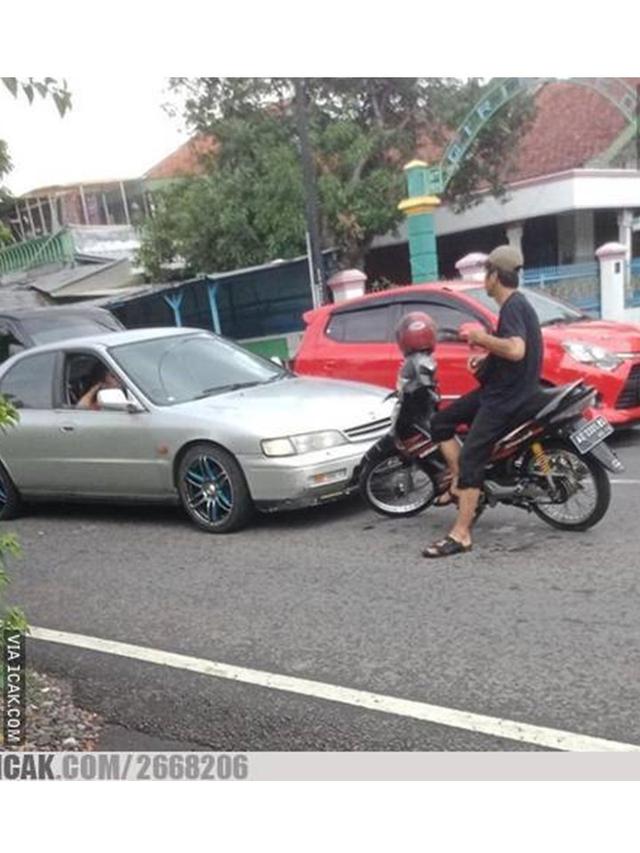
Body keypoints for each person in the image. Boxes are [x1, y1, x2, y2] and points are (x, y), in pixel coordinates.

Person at [422, 245, 543, 558]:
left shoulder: (514, 306)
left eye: (485, 274)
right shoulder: (516, 306)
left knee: (472, 456)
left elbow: (516, 350)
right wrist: (485, 360)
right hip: (500, 391)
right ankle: (459, 483)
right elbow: (511, 354)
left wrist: (478, 337)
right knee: (441, 422)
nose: (483, 281)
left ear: (494, 276)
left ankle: (461, 534)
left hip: (508, 399)